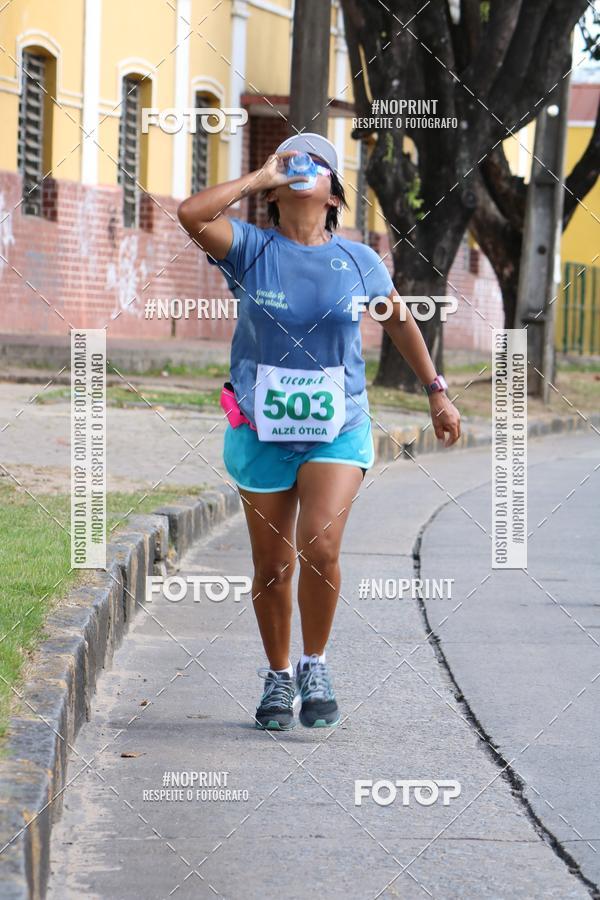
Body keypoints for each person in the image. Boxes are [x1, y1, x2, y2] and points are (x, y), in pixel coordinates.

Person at [177, 133, 461, 731]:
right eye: (292, 161)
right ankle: (278, 677)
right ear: (278, 192)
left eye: (318, 163)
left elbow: (401, 322)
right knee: (273, 567)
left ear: (334, 194)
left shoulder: (359, 261)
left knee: (321, 546)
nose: (303, 167)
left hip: (339, 426)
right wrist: (259, 177)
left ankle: (315, 663)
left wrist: (436, 391)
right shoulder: (250, 249)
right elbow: (191, 214)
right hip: (260, 428)